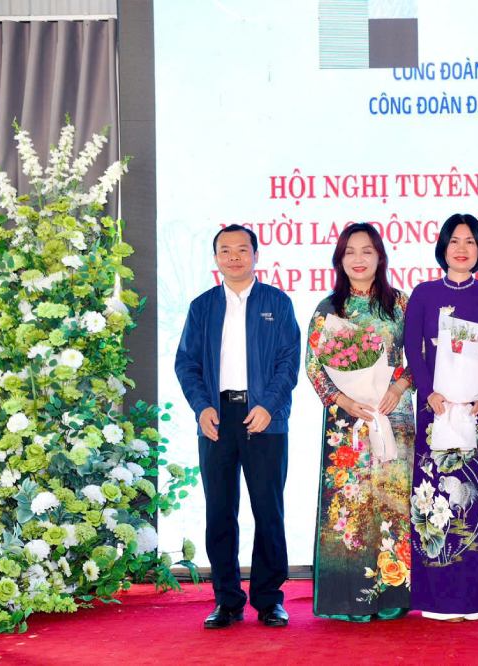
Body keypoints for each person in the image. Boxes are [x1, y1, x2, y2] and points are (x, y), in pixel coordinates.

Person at [175, 224, 300, 629]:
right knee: (220, 512)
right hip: (217, 418)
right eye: (225, 250)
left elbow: (288, 362)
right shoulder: (202, 307)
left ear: (256, 255)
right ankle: (227, 600)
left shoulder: (276, 303)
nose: (233, 257)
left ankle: (269, 599)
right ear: (215, 259)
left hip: (265, 417)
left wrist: (268, 406)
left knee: (268, 511)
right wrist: (200, 407)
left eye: (241, 250)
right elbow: (186, 363)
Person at [403, 213, 478, 621]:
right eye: (454, 241)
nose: (462, 248)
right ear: (443, 247)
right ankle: (439, 597)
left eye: (469, 241)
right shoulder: (425, 293)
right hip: (436, 408)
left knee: (477, 497)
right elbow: (414, 348)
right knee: (436, 495)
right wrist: (429, 392)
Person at [304, 222, 414, 621]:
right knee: (349, 509)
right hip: (346, 423)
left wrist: (399, 387)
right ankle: (347, 598)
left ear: (380, 257)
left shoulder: (401, 304)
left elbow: (419, 359)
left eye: (367, 251)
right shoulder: (329, 308)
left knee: (390, 504)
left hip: (391, 417)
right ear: (340, 259)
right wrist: (343, 399)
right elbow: (314, 366)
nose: (359, 258)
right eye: (350, 251)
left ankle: (390, 597)